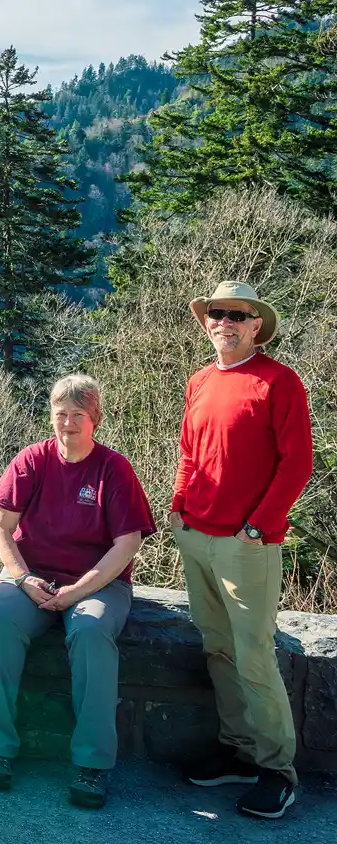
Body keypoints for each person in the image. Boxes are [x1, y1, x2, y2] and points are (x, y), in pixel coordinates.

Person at [0, 374, 156, 810]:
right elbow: (1, 525)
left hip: (97, 583)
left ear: (96, 419)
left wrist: (77, 591)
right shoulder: (32, 460)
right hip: (31, 577)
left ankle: (91, 763)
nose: (68, 424)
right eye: (61, 414)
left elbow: (128, 543)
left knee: (91, 631)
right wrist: (20, 576)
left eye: (79, 415)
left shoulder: (114, 469)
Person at [172, 281, 312, 820]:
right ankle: (238, 752)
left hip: (245, 544)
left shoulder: (279, 382)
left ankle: (279, 770)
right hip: (197, 535)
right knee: (219, 650)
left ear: (256, 326)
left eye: (236, 314)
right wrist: (179, 505)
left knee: (255, 657)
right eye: (215, 313)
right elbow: (190, 450)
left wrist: (258, 526)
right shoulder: (200, 381)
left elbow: (297, 463)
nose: (223, 321)